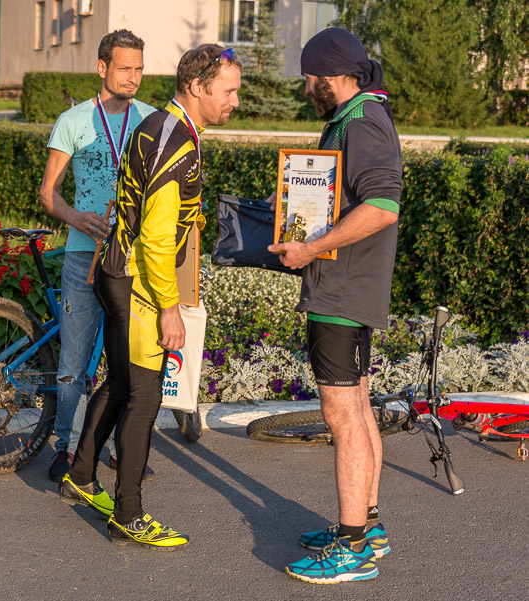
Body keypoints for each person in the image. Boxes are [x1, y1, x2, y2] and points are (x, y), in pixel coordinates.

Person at [59, 44, 242, 548]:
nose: (234, 101)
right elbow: (158, 241)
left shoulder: (157, 124)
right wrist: (169, 309)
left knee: (119, 381)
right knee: (143, 398)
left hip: (114, 271)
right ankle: (129, 514)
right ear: (198, 87)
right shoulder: (178, 143)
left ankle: (79, 474)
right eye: (228, 92)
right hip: (139, 285)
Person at [268, 28, 403, 584]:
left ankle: (351, 549)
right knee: (359, 407)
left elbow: (383, 205)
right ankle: (366, 526)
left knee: (340, 415)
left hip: (342, 291)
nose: (305, 87)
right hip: (348, 287)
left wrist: (312, 248)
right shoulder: (355, 117)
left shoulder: (363, 123)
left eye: (307, 78)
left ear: (330, 76)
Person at [39, 29, 157, 482]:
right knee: (73, 362)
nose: (134, 77)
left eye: (140, 68)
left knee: (126, 361)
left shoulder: (150, 120)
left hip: (132, 259)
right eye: (125, 68)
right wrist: (76, 217)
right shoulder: (73, 121)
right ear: (102, 68)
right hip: (84, 256)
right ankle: (67, 449)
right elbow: (48, 194)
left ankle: (117, 449)